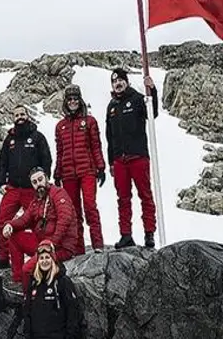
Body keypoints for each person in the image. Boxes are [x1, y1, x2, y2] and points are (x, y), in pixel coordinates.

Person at [17, 240, 82, 339]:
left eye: (47, 257)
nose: (44, 261)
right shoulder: (34, 283)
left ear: (53, 259)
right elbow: (28, 312)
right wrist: (29, 337)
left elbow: (73, 311)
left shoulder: (62, 282)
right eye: (41, 258)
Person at [105, 68, 159, 249]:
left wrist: (153, 90)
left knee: (145, 195)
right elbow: (109, 136)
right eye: (114, 82)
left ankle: (149, 234)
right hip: (119, 160)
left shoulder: (137, 99)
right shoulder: (111, 107)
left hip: (138, 156)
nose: (118, 84)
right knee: (123, 198)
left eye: (120, 80)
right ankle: (126, 235)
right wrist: (111, 162)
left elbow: (152, 113)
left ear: (126, 82)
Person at [0, 105, 52, 270]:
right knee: (1, 220)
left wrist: (43, 182)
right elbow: (2, 162)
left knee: (37, 222)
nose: (19, 117)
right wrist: (1, 182)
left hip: (31, 190)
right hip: (13, 188)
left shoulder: (37, 137)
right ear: (13, 118)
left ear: (27, 116)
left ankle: (41, 255)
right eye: (16, 115)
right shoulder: (9, 140)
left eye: (22, 114)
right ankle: (3, 257)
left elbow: (46, 159)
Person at [2, 167, 80, 288]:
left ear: (46, 178)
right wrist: (9, 224)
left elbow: (65, 220)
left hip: (60, 247)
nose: (38, 184)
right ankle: (17, 280)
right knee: (14, 237)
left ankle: (27, 294)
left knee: (27, 269)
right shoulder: (36, 200)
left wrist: (52, 243)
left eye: (40, 179)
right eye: (34, 182)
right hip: (42, 243)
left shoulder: (58, 193)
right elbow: (24, 220)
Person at [53, 84, 107, 253]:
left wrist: (101, 167)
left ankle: (98, 245)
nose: (73, 102)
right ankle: (78, 248)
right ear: (65, 102)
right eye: (69, 99)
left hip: (87, 171)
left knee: (90, 206)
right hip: (68, 174)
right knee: (74, 212)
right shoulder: (60, 126)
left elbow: (96, 146)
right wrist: (57, 172)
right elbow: (60, 152)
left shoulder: (89, 121)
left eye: (75, 98)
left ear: (80, 100)